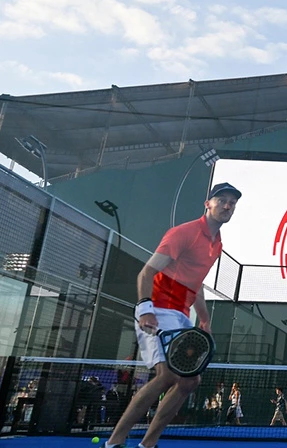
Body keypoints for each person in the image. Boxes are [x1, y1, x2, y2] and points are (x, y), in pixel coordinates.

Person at [103, 182, 241, 448]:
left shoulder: (217, 244)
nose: (226, 205)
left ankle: (148, 443)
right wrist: (145, 311)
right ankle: (114, 443)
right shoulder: (184, 233)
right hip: (158, 307)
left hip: (181, 314)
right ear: (208, 203)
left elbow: (196, 284)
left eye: (232, 203)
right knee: (167, 376)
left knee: (190, 381)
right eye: (221, 200)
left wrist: (204, 319)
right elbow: (146, 272)